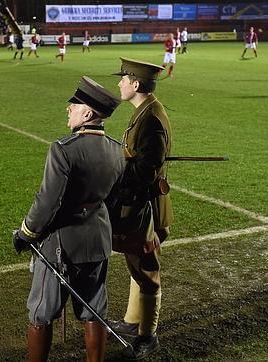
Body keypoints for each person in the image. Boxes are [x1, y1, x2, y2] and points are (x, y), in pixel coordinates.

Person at [12, 76, 124, 362]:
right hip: (98, 238)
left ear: (88, 114)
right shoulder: (116, 149)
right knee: (94, 309)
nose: (68, 108)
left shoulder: (63, 148)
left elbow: (48, 202)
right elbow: (112, 200)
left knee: (41, 313)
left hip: (61, 244)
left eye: (73, 105)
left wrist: (27, 233)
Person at [108, 57, 173, 361]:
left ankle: (148, 336)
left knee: (147, 270)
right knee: (136, 263)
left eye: (123, 79)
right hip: (139, 205)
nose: (119, 83)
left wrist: (117, 176)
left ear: (135, 84)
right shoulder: (144, 112)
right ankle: (133, 322)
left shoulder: (151, 119)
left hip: (144, 207)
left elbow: (147, 170)